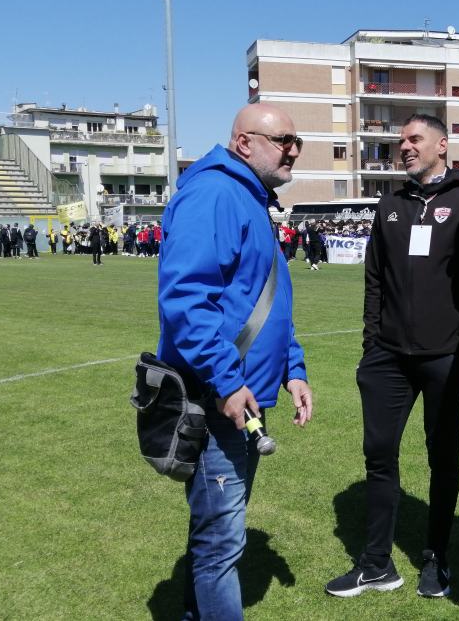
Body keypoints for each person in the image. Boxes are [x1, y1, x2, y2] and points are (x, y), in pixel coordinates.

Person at [156, 103, 313, 621]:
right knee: (221, 545)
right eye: (283, 140)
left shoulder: (248, 196)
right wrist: (225, 382)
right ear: (244, 143)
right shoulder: (215, 194)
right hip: (218, 397)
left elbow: (267, 297)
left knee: (219, 535)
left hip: (244, 394)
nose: (293, 150)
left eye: (296, 142)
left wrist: (293, 367)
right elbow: (185, 298)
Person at [325, 114, 459, 599]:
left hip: (446, 356)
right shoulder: (390, 205)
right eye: (401, 141)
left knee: (442, 459)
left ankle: (436, 557)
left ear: (442, 144)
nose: (405, 147)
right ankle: (376, 563)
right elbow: (374, 278)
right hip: (387, 357)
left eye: (415, 139)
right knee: (379, 456)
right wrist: (371, 344)